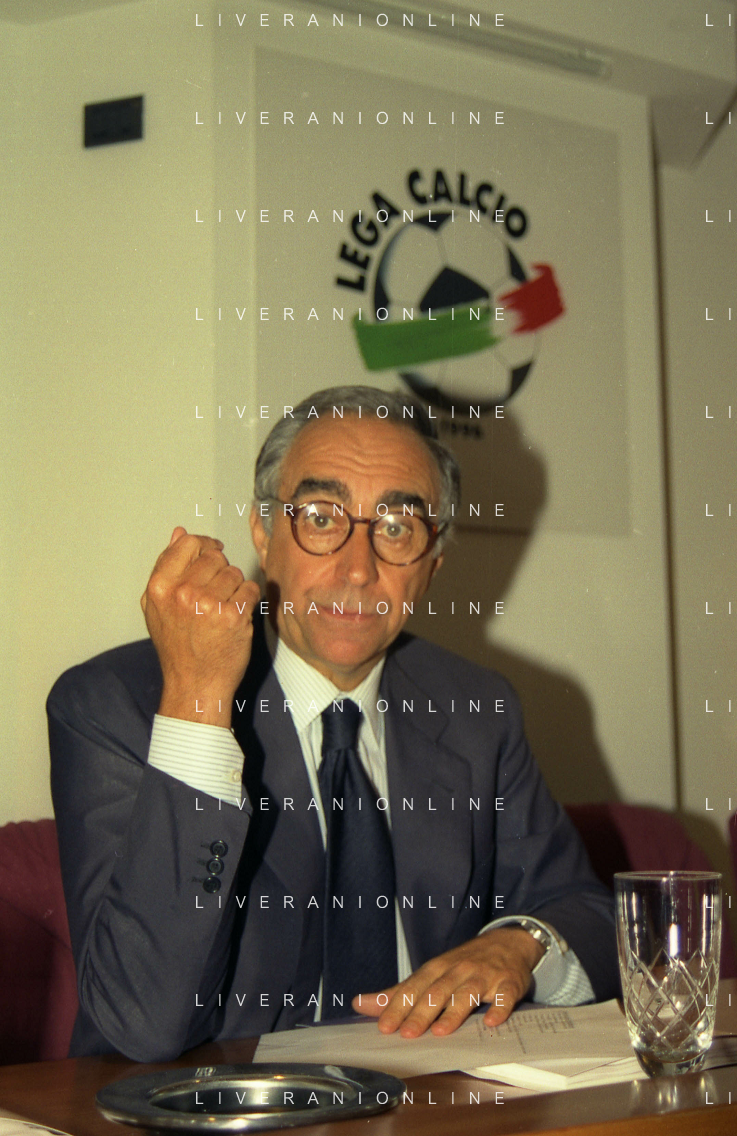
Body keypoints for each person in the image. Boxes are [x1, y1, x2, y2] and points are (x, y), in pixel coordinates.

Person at [48, 386, 617, 1062]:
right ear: (264, 534)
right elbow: (141, 1023)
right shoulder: (117, 704)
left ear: (433, 563)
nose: (358, 569)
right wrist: (199, 705)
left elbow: (585, 911)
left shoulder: (476, 709)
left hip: (430, 1098)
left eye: (397, 528)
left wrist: (517, 945)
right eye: (321, 518)